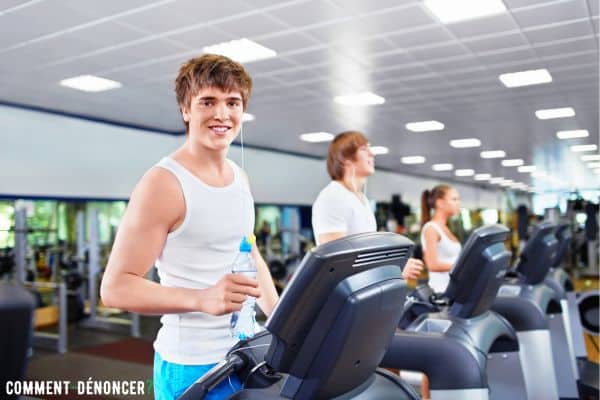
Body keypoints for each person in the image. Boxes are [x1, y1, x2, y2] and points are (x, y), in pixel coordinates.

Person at [100, 54, 279, 400]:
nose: (222, 114)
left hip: (246, 354)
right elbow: (115, 288)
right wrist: (200, 298)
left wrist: (281, 320)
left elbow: (250, 253)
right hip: (193, 365)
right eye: (208, 102)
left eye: (233, 102)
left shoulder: (239, 177)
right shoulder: (164, 184)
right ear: (186, 110)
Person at [311, 131, 423, 281]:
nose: (372, 153)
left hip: (364, 289)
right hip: (343, 297)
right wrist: (393, 270)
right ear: (345, 159)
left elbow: (366, 255)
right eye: (364, 149)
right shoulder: (333, 197)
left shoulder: (361, 199)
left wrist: (395, 264)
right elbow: (337, 265)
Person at [420, 184, 462, 294]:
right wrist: (464, 266)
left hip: (454, 290)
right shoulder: (431, 229)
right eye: (454, 199)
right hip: (440, 292)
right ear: (440, 203)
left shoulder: (445, 228)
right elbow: (432, 265)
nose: (458, 203)